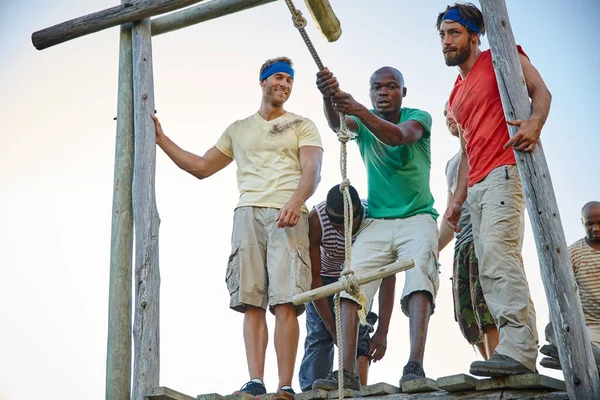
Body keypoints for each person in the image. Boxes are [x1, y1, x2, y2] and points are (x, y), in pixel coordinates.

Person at [152, 57, 323, 395]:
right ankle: (256, 381)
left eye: (289, 81)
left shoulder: (302, 125)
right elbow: (201, 166)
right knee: (251, 300)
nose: (284, 85)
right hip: (246, 214)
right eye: (278, 78)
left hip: (286, 214)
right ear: (262, 82)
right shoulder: (238, 129)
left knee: (285, 301)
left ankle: (285, 386)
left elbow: (312, 172)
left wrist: (293, 202)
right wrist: (161, 139)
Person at [437, 3, 551, 376]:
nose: (446, 41)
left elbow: (541, 91)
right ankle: (512, 349)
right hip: (478, 186)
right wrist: (457, 200)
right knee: (487, 265)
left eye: (453, 33)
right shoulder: (456, 93)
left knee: (500, 257)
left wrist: (534, 123)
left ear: (474, 35)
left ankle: (519, 352)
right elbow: (467, 149)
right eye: (442, 35)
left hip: (505, 169)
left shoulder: (501, 56)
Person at [312, 65, 439, 390]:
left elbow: (398, 137)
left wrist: (355, 108)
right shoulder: (361, 119)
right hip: (377, 220)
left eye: (391, 86)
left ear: (403, 92)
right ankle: (347, 372)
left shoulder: (418, 117)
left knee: (420, 271)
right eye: (377, 87)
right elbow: (336, 122)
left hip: (417, 216)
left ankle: (414, 365)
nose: (383, 92)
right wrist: (329, 96)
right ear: (370, 92)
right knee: (348, 283)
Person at [299, 184, 395, 391]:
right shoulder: (318, 219)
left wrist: (383, 331)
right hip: (324, 279)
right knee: (319, 334)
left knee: (358, 331)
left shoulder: (375, 219)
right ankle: (312, 390)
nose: (342, 229)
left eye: (346, 222)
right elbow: (313, 279)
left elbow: (387, 276)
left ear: (359, 212)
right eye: (336, 223)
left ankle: (355, 385)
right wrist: (331, 326)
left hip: (358, 280)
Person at [438, 102, 499, 360]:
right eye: (444, 114)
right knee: (467, 313)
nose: (449, 117)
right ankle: (490, 366)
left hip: (482, 236)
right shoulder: (451, 164)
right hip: (462, 243)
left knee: (487, 305)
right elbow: (450, 213)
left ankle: (502, 364)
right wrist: (432, 250)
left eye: (452, 110)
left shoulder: (482, 145)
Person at [569, 201, 600, 347]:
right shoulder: (573, 254)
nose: (596, 228)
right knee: (592, 357)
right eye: (590, 224)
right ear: (582, 222)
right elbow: (563, 291)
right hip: (590, 326)